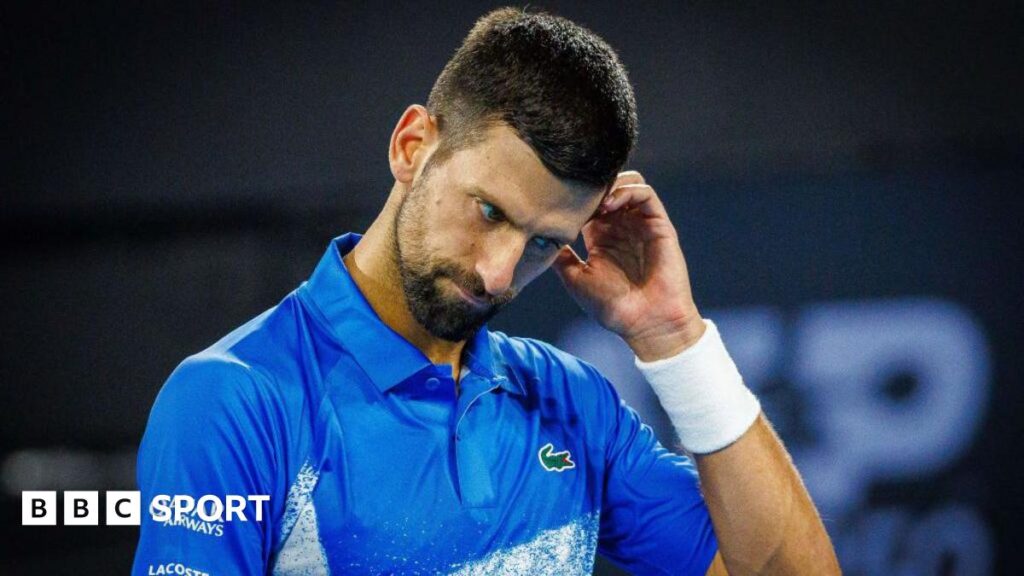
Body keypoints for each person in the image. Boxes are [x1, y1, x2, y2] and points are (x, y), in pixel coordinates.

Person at [132, 7, 839, 575]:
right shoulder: (235, 400)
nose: (499, 275)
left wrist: (673, 338)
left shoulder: (571, 403)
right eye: (490, 212)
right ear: (413, 146)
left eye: (542, 243)